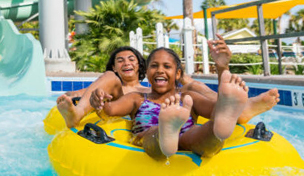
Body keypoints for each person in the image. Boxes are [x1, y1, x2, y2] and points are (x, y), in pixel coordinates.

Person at [56, 36, 279, 129]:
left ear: (140, 65)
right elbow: (83, 93)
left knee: (190, 85)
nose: (126, 63)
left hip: (173, 108)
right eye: (120, 60)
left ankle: (241, 108)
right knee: (108, 79)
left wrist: (221, 67)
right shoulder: (112, 82)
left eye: (132, 59)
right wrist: (77, 99)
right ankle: (76, 116)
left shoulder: (148, 88)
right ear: (114, 66)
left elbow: (179, 81)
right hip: (131, 114)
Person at [98, 48, 251, 159]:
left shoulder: (188, 98)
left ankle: (219, 129)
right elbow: (109, 110)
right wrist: (99, 100)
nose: (159, 70)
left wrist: (222, 68)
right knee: (154, 133)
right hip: (151, 138)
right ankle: (166, 130)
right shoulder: (137, 98)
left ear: (178, 74)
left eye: (166, 66)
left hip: (185, 138)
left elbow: (214, 111)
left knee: (199, 132)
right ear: (147, 72)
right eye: (154, 66)